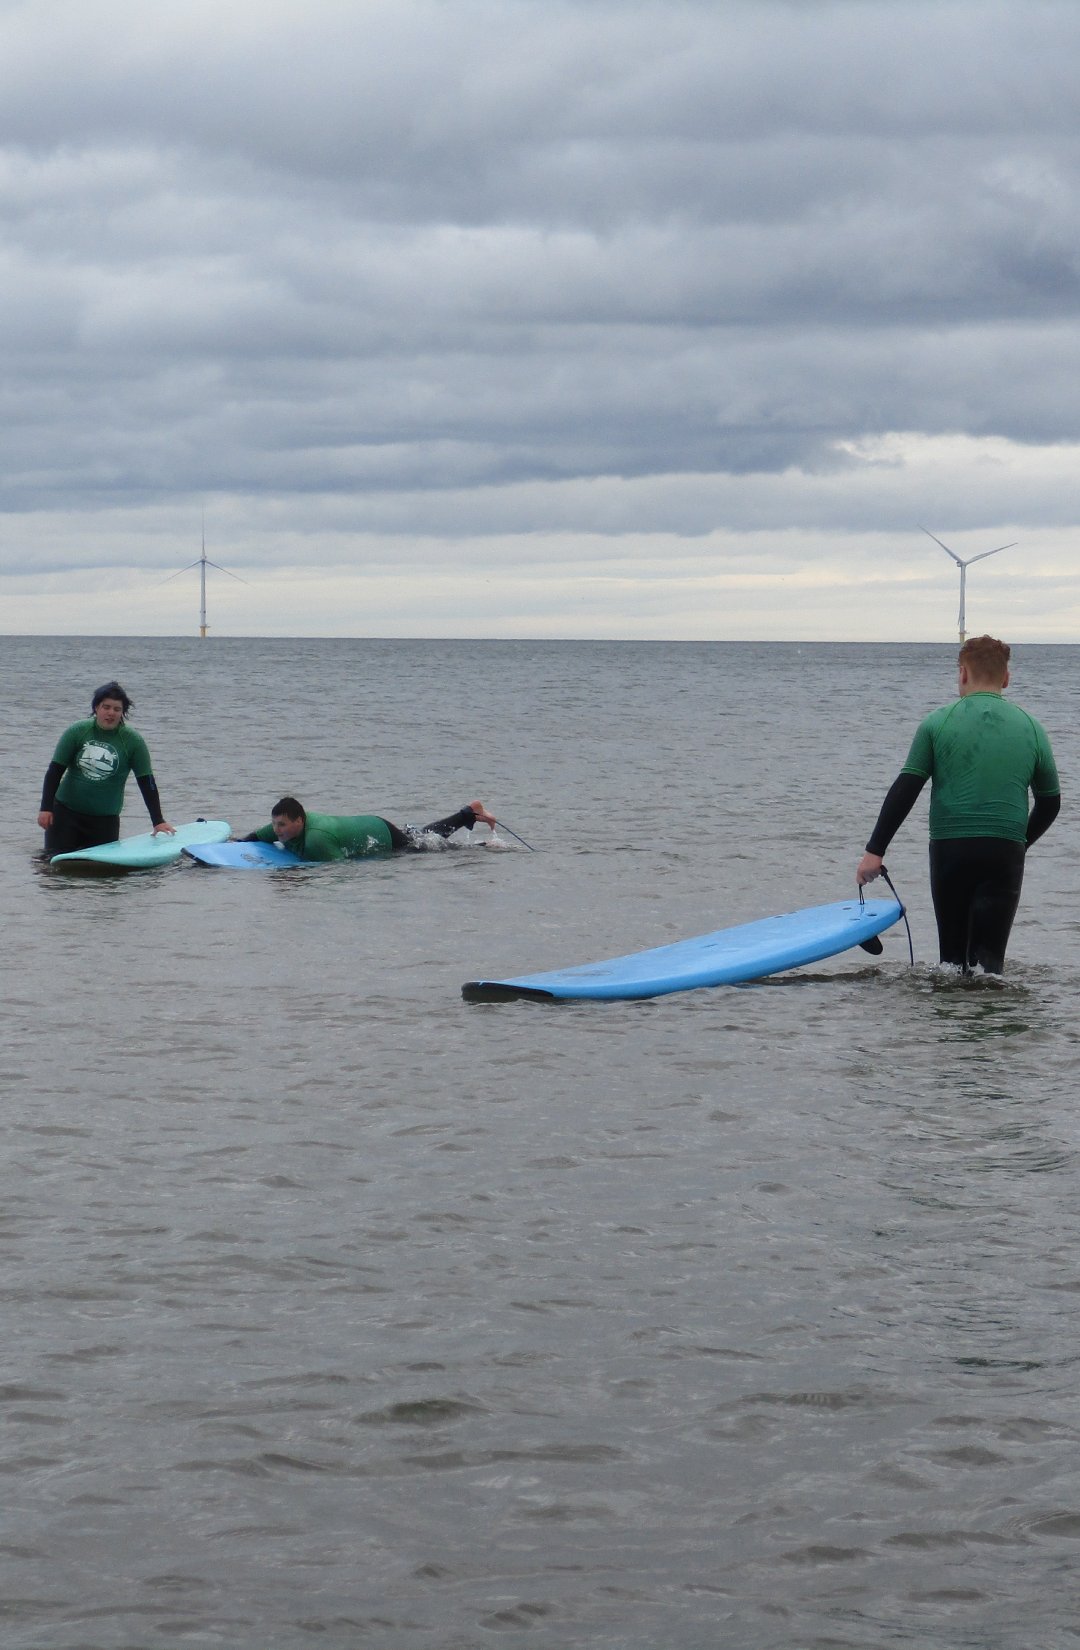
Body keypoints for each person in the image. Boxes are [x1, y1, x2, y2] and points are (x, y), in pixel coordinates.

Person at [856, 635, 1060, 973]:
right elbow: (1050, 803)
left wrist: (874, 851)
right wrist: (1019, 843)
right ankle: (992, 1004)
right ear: (1006, 678)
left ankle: (951, 1006)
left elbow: (906, 788)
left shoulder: (937, 723)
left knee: (951, 962)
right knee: (990, 965)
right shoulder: (1033, 728)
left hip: (951, 851)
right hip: (1005, 852)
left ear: (963, 673)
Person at [38, 681, 175, 858]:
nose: (111, 713)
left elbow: (147, 782)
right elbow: (54, 771)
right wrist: (46, 808)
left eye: (117, 709)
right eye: (106, 707)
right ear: (96, 708)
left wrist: (158, 821)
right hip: (66, 814)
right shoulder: (77, 731)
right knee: (52, 863)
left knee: (100, 872)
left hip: (104, 821)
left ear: (122, 713)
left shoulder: (133, 741)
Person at [243, 797, 499, 862]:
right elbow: (254, 836)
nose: (276, 830)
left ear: (299, 821)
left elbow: (338, 868)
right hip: (369, 824)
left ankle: (480, 846)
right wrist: (234, 843)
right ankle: (469, 812)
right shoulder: (281, 825)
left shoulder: (316, 840)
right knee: (422, 837)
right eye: (274, 824)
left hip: (378, 833)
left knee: (426, 848)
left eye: (282, 825)